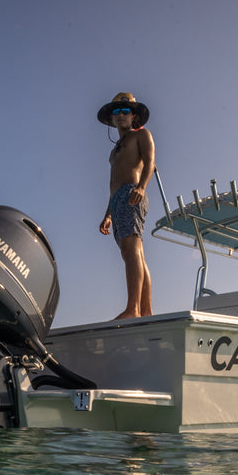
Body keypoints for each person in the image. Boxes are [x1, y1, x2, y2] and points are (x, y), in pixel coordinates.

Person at [96, 92, 155, 319]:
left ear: (133, 116)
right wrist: (108, 214)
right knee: (130, 254)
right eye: (116, 112)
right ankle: (145, 310)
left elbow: (150, 162)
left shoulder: (141, 135)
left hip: (132, 192)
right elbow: (113, 183)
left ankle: (134, 309)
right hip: (116, 199)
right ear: (111, 119)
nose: (120, 115)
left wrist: (141, 187)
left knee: (133, 248)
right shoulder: (114, 151)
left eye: (125, 111)